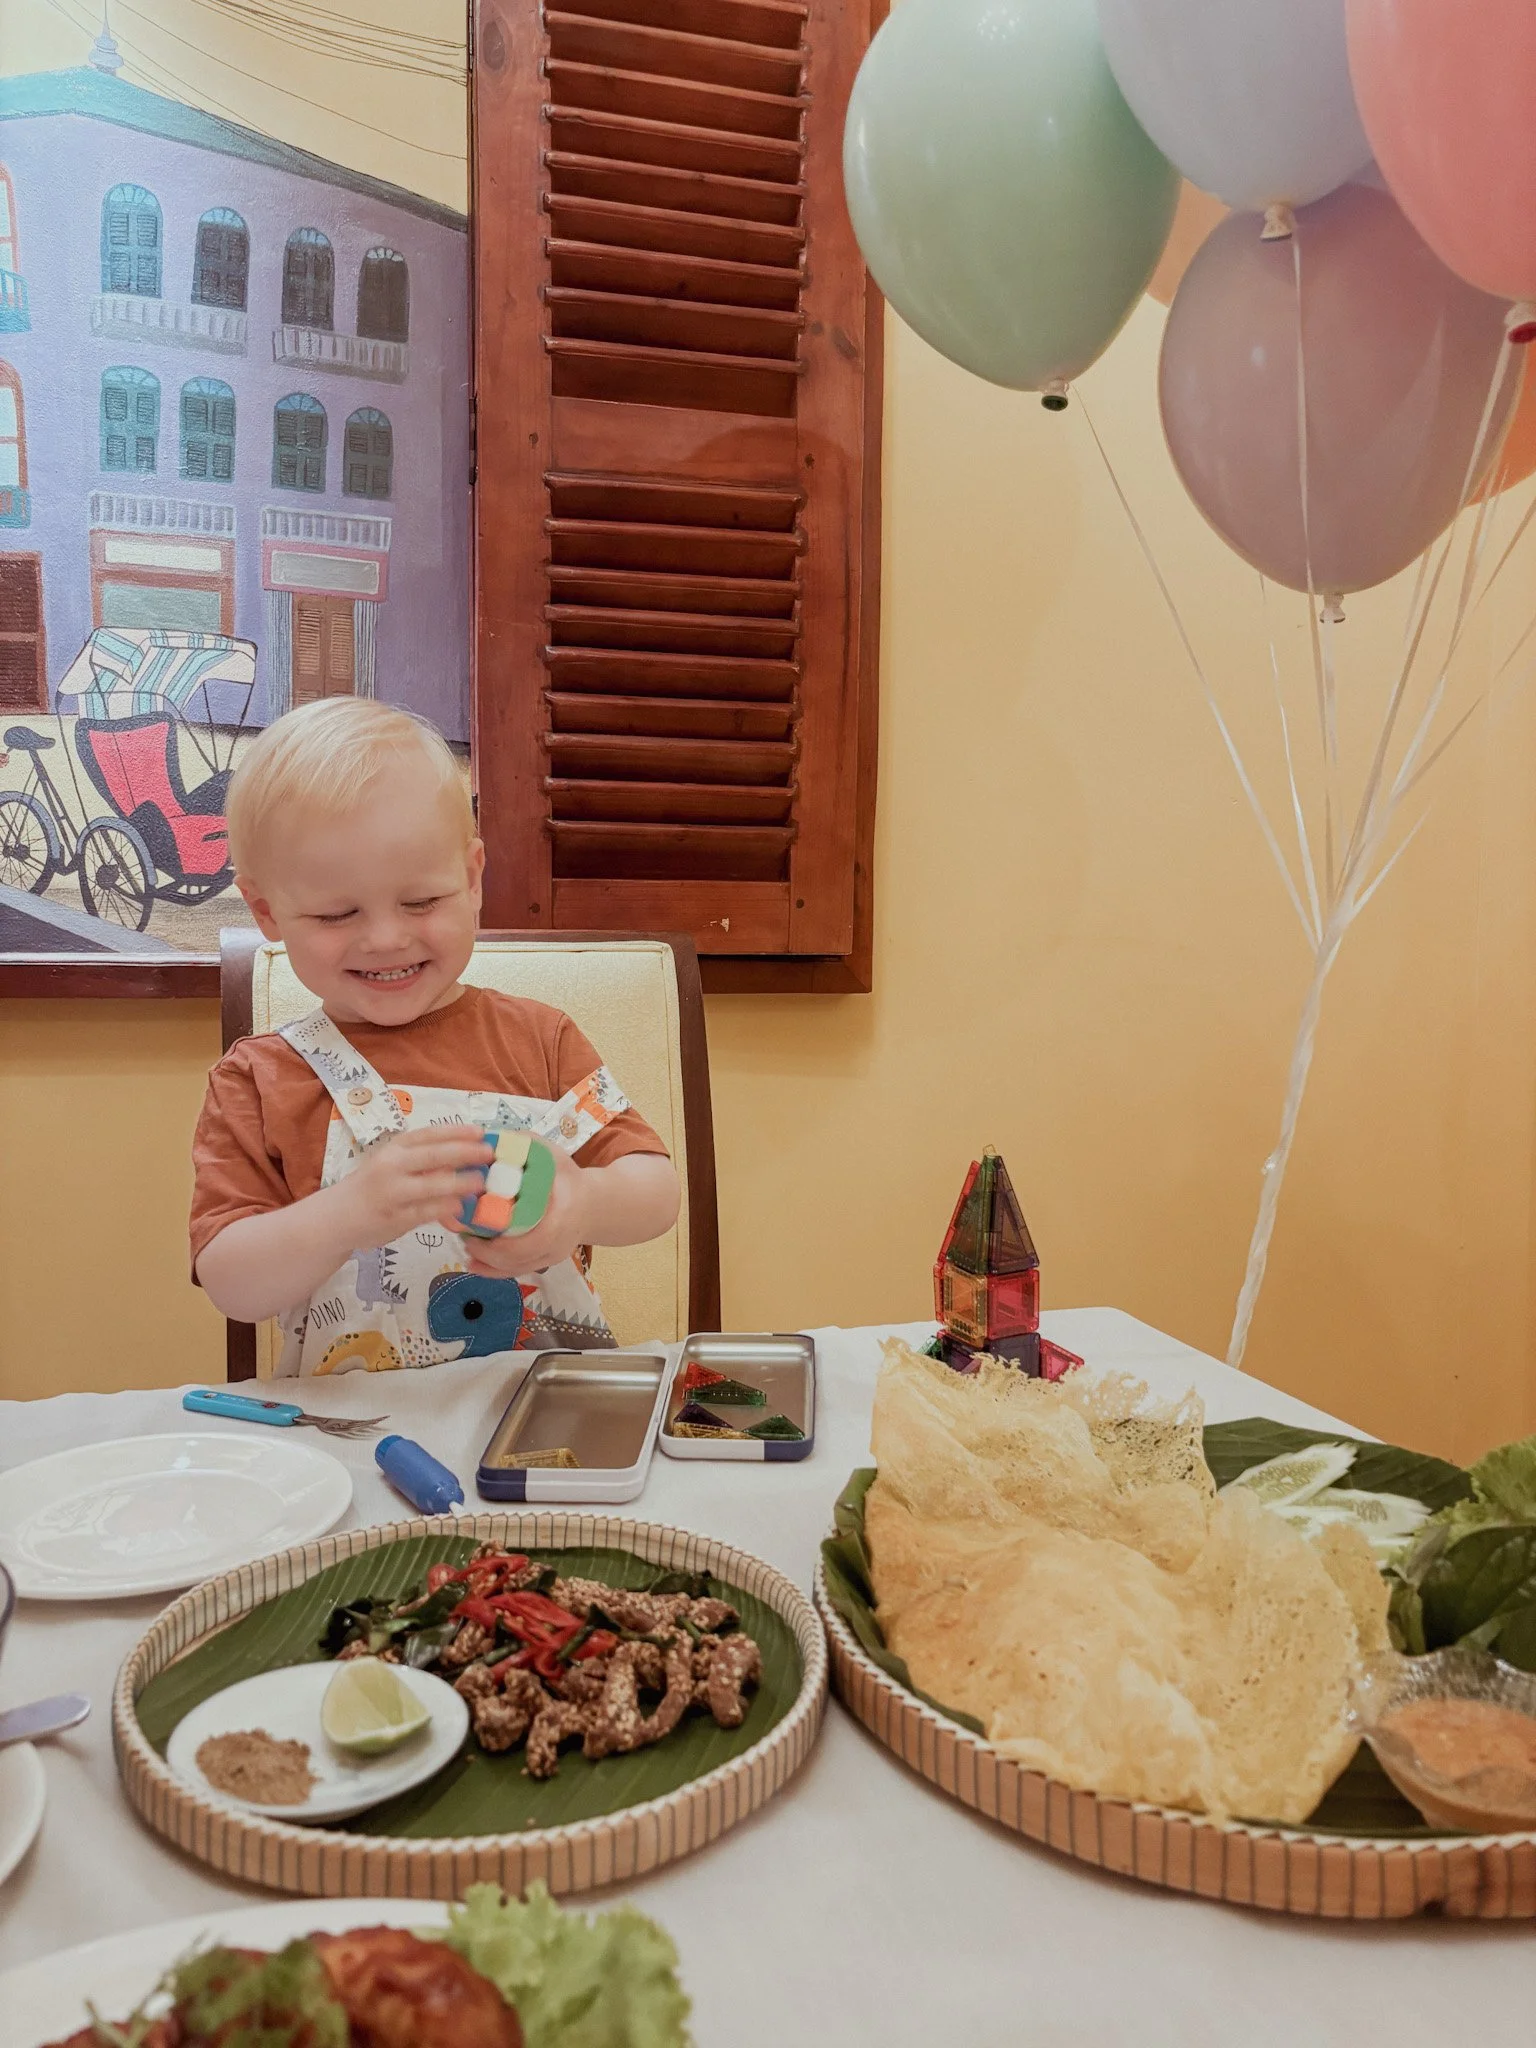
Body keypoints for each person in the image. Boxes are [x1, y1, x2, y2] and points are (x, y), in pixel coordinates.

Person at [190, 699, 681, 1374]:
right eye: (337, 913)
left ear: (473, 879)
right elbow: (230, 1283)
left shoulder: (540, 1037)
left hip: (549, 1413)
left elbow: (656, 1193)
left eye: (421, 901)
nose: (386, 937)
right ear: (268, 913)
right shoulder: (258, 1080)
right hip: (360, 1438)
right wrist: (346, 1216)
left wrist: (586, 1203)